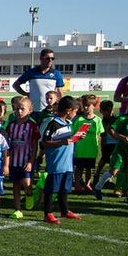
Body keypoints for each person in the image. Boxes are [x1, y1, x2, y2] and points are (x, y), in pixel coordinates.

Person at [39, 95, 83, 223]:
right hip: (56, 163)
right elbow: (45, 142)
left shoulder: (68, 123)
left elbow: (67, 140)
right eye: (75, 111)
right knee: (51, 189)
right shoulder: (53, 123)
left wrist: (76, 137)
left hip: (67, 163)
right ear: (68, 110)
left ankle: (65, 210)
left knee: (64, 189)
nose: (75, 114)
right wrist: (61, 142)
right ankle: (47, 213)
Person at [3, 95, 40, 218]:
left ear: (29, 110)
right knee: (16, 186)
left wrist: (31, 161)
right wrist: (6, 163)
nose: (19, 111)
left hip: (26, 160)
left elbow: (34, 145)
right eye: (17, 108)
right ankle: (17, 210)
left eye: (22, 109)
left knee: (27, 183)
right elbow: (7, 144)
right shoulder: (11, 125)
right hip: (14, 161)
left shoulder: (32, 126)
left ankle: (29, 194)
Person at [71, 94, 104, 193]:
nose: (85, 108)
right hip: (80, 149)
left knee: (89, 168)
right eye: (84, 105)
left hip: (91, 149)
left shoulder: (97, 120)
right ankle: (77, 185)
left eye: (88, 105)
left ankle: (87, 184)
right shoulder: (78, 119)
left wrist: (96, 144)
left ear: (94, 106)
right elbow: (73, 132)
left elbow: (99, 133)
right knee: (79, 168)